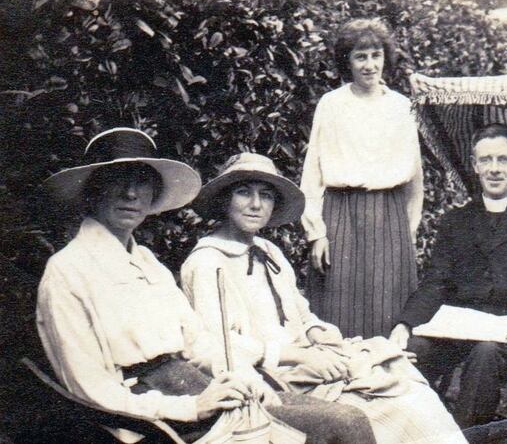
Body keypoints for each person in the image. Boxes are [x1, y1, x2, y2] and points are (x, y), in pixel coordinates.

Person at [36, 128, 374, 443]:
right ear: (92, 191)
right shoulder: (68, 272)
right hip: (150, 420)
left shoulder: (147, 262)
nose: (130, 193)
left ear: (153, 194)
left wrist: (239, 377)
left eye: (141, 182)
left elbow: (196, 341)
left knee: (350, 415)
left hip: (194, 386)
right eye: (117, 181)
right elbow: (91, 391)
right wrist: (191, 407)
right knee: (341, 425)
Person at [182, 152, 467, 443]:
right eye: (244, 193)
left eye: (265, 195)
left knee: (404, 381)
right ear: (225, 199)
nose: (256, 204)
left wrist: (317, 332)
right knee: (390, 407)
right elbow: (221, 347)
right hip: (269, 380)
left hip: (308, 361)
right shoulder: (208, 262)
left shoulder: (269, 251)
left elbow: (299, 312)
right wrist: (301, 356)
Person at [388, 123, 507, 428]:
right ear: (475, 166)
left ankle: (464, 436)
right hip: (460, 324)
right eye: (486, 160)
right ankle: (411, 432)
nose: (495, 169)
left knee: (485, 355)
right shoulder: (455, 220)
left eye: (503, 160)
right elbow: (436, 282)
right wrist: (404, 324)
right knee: (412, 352)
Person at [300, 17, 423, 339]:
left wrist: (407, 232)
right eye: (360, 56)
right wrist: (317, 233)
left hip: (390, 216)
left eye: (376, 55)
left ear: (386, 57)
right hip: (341, 215)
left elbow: (414, 179)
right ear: (348, 62)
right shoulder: (332, 105)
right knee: (338, 311)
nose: (370, 65)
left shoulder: (401, 107)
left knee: (389, 308)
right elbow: (312, 171)